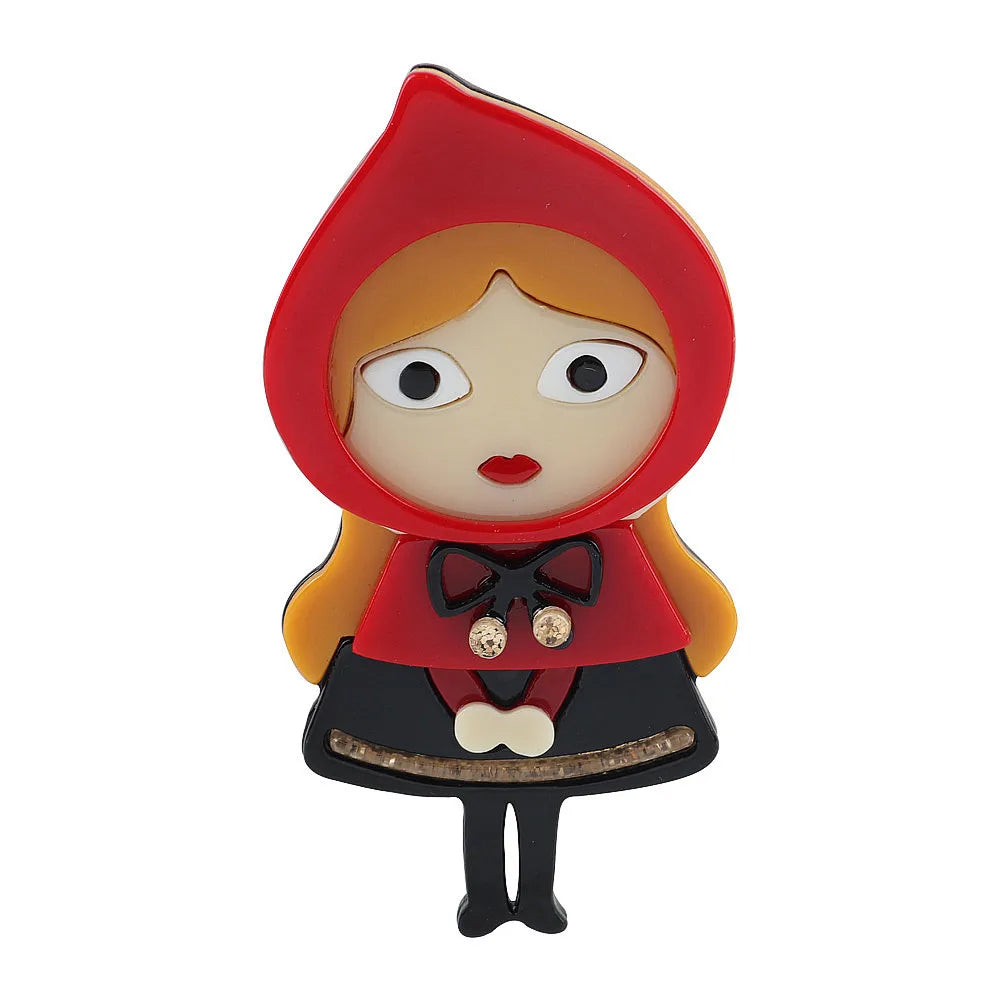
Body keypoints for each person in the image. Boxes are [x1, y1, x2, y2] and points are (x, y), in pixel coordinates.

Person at [265, 67, 736, 936]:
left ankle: (534, 891)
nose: (509, 434)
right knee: (477, 796)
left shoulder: (617, 541)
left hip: (585, 684)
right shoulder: (395, 546)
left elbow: (700, 629)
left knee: (548, 794)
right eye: (419, 381)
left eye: (588, 373)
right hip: (438, 688)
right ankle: (489, 892)